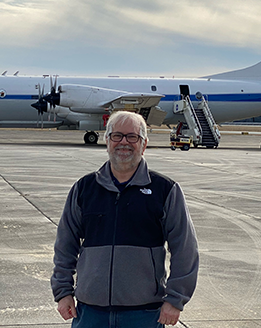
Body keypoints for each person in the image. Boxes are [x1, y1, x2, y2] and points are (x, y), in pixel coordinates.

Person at [51, 111, 199, 327]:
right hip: (90, 312)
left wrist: (175, 300)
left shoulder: (165, 190)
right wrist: (63, 292)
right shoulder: (84, 189)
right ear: (107, 141)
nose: (124, 143)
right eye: (117, 136)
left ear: (144, 144)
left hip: (145, 313)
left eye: (132, 137)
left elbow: (185, 250)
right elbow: (65, 245)